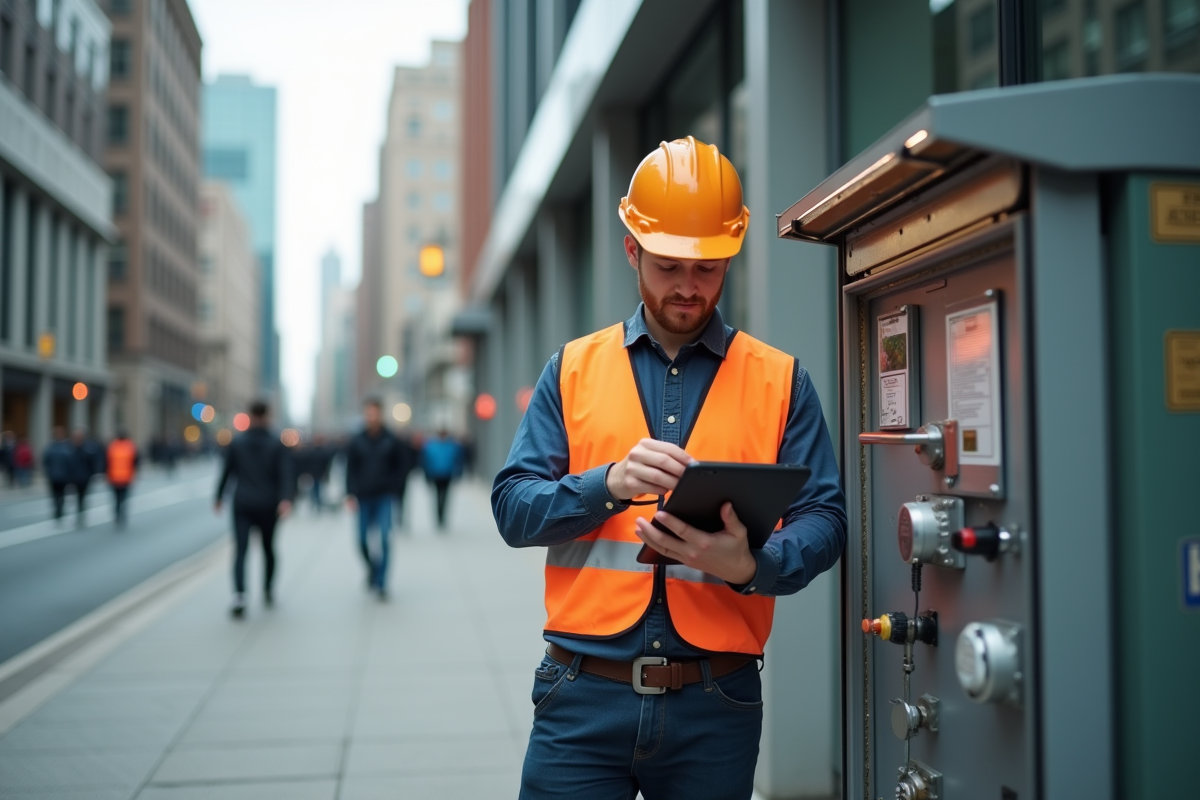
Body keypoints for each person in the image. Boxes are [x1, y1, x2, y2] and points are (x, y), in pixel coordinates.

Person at [491, 137, 847, 799]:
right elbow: (513, 507)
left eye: (709, 268)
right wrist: (609, 485)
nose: (688, 285)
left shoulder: (781, 381)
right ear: (632, 250)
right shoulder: (570, 370)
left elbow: (826, 518)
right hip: (580, 698)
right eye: (668, 265)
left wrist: (754, 566)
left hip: (716, 705)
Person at [214, 401, 294, 618]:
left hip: (243, 504)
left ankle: (240, 594)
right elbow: (286, 473)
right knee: (269, 548)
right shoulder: (276, 443)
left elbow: (227, 471)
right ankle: (268, 588)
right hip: (269, 504)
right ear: (268, 416)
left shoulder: (238, 443)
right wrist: (286, 499)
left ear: (249, 416)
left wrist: (219, 496)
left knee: (241, 550)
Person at [344, 399, 404, 599]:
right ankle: (372, 568)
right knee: (361, 540)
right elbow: (350, 469)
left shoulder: (391, 439)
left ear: (381, 414)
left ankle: (381, 582)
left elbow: (401, 467)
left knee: (385, 538)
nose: (371, 417)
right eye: (368, 413)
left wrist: (396, 489)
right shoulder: (357, 440)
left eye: (374, 413)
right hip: (362, 497)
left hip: (384, 496)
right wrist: (350, 493)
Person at [421, 429, 463, 530]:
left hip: (446, 474)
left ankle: (441, 515)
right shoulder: (434, 446)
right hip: (436, 474)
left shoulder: (447, 446)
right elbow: (425, 461)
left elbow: (458, 460)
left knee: (444, 496)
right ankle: (440, 515)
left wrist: (457, 472)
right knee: (439, 496)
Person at [70, 428, 104, 527]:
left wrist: (96, 473)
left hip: (85, 477)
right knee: (77, 497)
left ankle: (81, 514)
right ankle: (79, 513)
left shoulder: (89, 447)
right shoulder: (71, 447)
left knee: (83, 497)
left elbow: (94, 461)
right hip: (75, 477)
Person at [106, 431, 139, 527]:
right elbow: (136, 461)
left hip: (114, 477)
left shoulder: (112, 446)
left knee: (116, 498)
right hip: (126, 478)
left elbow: (106, 462)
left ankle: (117, 514)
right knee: (123, 498)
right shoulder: (130, 446)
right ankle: (122, 514)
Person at [42, 428, 74, 522]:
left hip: (58, 475)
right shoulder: (66, 447)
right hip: (58, 475)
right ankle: (59, 508)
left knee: (57, 494)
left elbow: (45, 461)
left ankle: (58, 508)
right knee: (58, 494)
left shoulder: (51, 447)